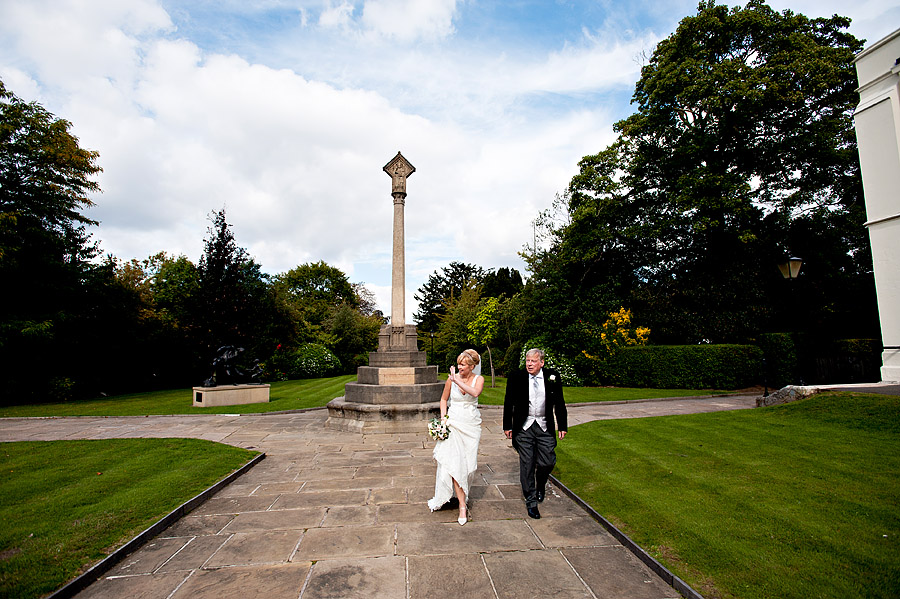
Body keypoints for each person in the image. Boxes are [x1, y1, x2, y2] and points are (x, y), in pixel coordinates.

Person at [503, 348, 567, 519]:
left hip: (544, 426)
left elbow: (559, 402)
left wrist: (562, 425)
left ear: (542, 362)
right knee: (527, 464)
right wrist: (507, 425)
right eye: (527, 361)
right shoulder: (517, 377)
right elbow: (508, 401)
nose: (529, 364)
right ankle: (531, 501)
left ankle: (541, 485)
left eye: (533, 361)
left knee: (547, 462)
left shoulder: (552, 377)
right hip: (524, 427)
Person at [427, 349, 484, 525]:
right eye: (458, 364)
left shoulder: (478, 379)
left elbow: (474, 393)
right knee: (455, 463)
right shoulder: (450, 380)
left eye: (463, 365)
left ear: (472, 366)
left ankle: (462, 495)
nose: (459, 367)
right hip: (454, 425)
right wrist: (443, 419)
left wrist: (456, 379)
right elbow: (443, 399)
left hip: (471, 425)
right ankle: (461, 505)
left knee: (469, 465)